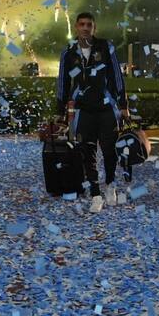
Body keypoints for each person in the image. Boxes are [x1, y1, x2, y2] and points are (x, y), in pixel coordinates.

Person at [57, 12, 129, 212]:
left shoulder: (106, 47)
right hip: (83, 110)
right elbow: (62, 81)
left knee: (109, 150)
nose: (86, 28)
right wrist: (59, 109)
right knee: (86, 152)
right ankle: (96, 194)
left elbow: (117, 77)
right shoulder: (69, 52)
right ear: (76, 27)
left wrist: (123, 105)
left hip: (106, 109)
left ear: (94, 27)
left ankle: (111, 185)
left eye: (89, 24)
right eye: (82, 24)